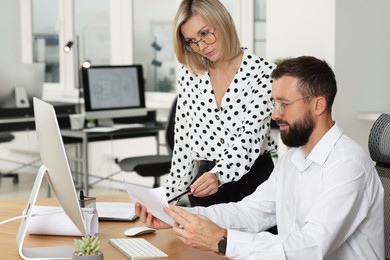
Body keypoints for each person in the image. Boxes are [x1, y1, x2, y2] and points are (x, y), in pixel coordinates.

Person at [136, 56, 385, 259]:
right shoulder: (293, 159)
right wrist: (179, 217)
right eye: (273, 103)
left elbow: (311, 246)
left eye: (283, 104)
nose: (275, 115)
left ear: (318, 105)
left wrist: (222, 242)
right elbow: (250, 213)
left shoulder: (348, 166)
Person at [165, 0, 277, 207]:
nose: (201, 46)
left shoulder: (264, 73)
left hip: (253, 183)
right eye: (192, 41)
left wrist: (218, 175)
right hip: (204, 184)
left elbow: (248, 140)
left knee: (258, 240)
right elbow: (183, 142)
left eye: (205, 34)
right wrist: (166, 199)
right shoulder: (189, 74)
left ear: (223, 22)